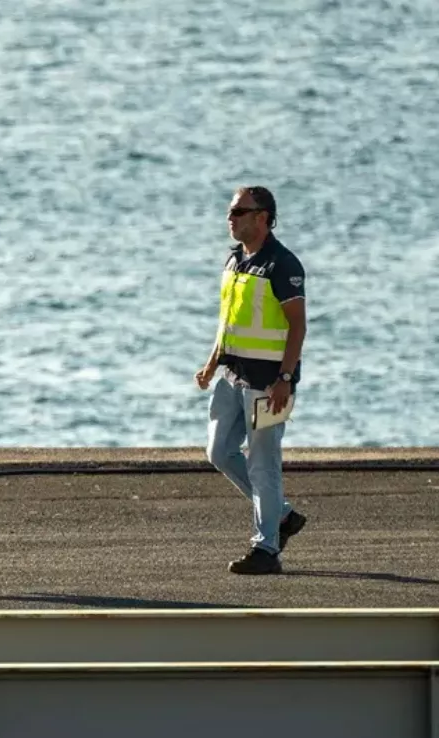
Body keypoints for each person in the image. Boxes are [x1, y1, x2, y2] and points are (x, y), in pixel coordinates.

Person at [196, 186, 308, 575]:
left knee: (264, 465)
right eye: (230, 211)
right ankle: (283, 515)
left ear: (262, 217)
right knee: (218, 451)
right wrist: (211, 364)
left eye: (238, 211)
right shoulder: (234, 260)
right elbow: (227, 320)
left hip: (268, 383)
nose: (230, 218)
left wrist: (286, 378)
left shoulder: (282, 264)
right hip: (232, 376)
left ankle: (266, 549)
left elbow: (297, 326)